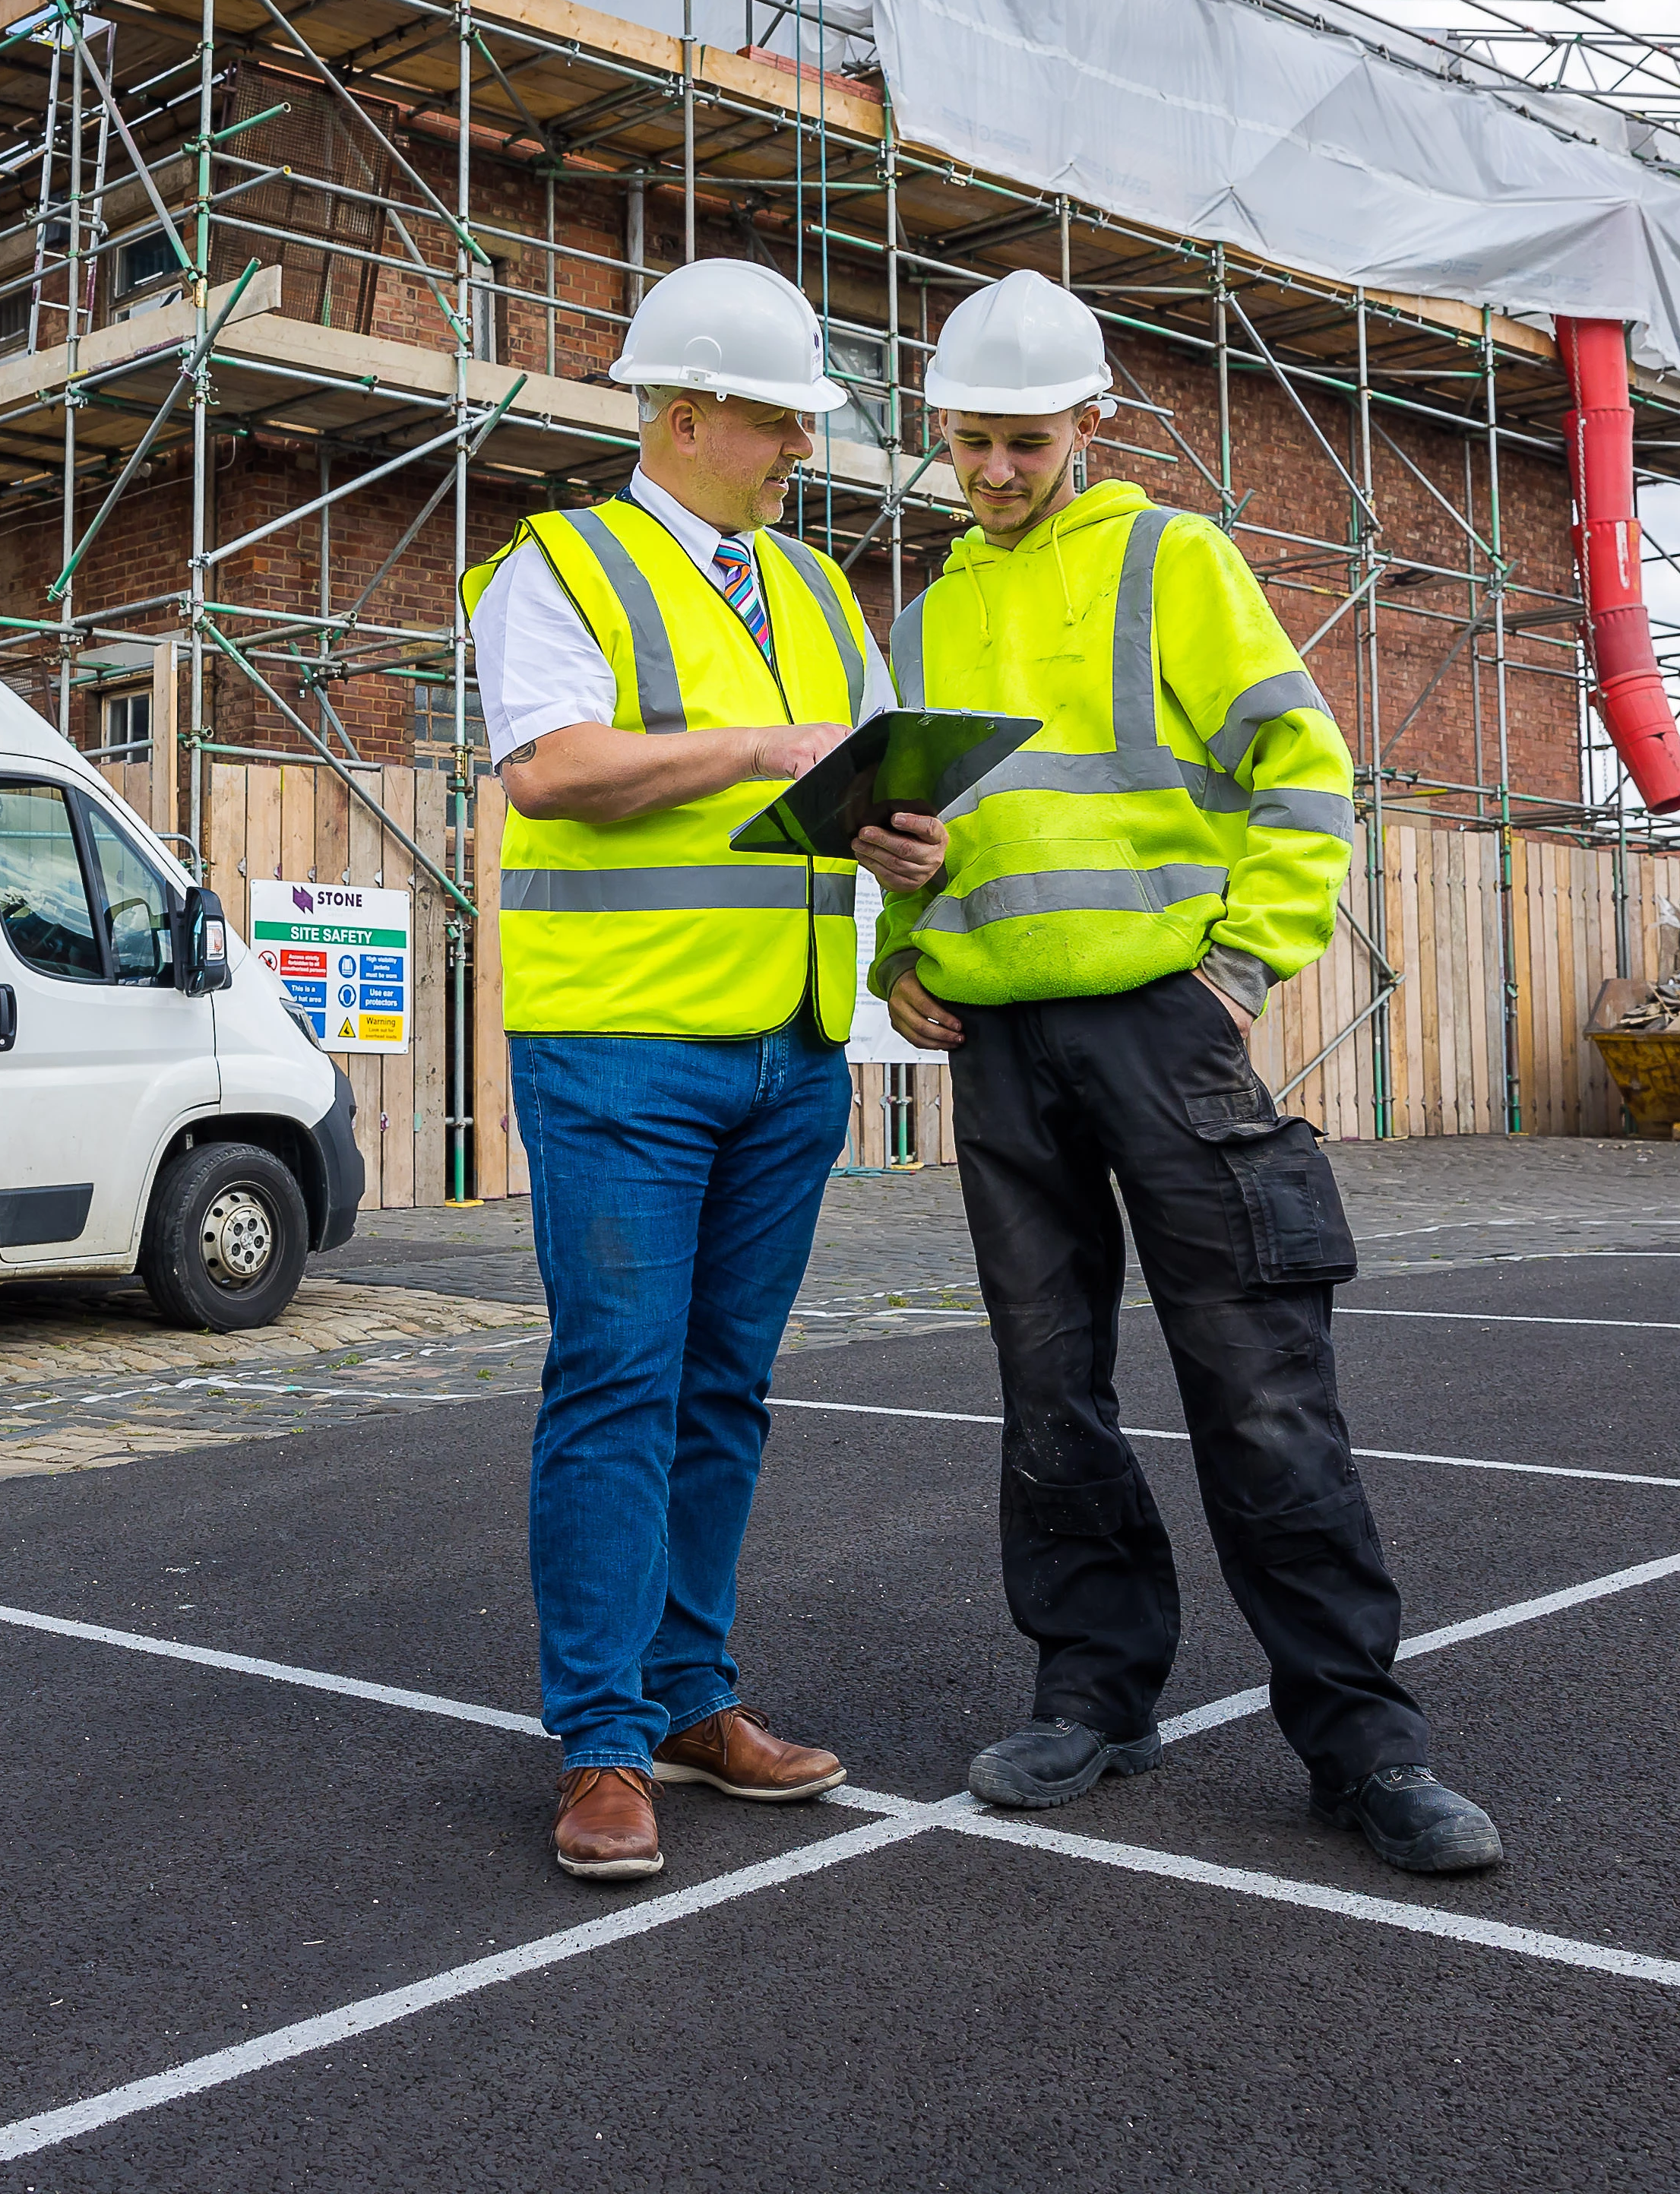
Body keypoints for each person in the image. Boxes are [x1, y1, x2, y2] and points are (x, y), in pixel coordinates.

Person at [874, 270, 1504, 1877]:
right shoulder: (929, 608)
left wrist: (1237, 967)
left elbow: (1303, 765)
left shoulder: (1173, 557)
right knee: (1048, 1387)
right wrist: (900, 946)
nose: (996, 471)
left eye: (1024, 442)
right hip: (1003, 1045)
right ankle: (1094, 1692)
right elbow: (912, 835)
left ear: (1090, 423)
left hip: (1166, 1029)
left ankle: (1365, 1744)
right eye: (970, 443)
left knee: (1261, 1387)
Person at [463, 255, 949, 1884]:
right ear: (685, 416)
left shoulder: (817, 597)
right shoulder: (560, 569)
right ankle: (600, 1744)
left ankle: (689, 1699)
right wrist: (755, 748)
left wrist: (909, 847)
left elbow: (860, 775)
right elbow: (552, 771)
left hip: (791, 1049)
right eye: (780, 422)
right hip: (619, 1049)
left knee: (725, 1390)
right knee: (617, 1382)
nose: (802, 450)